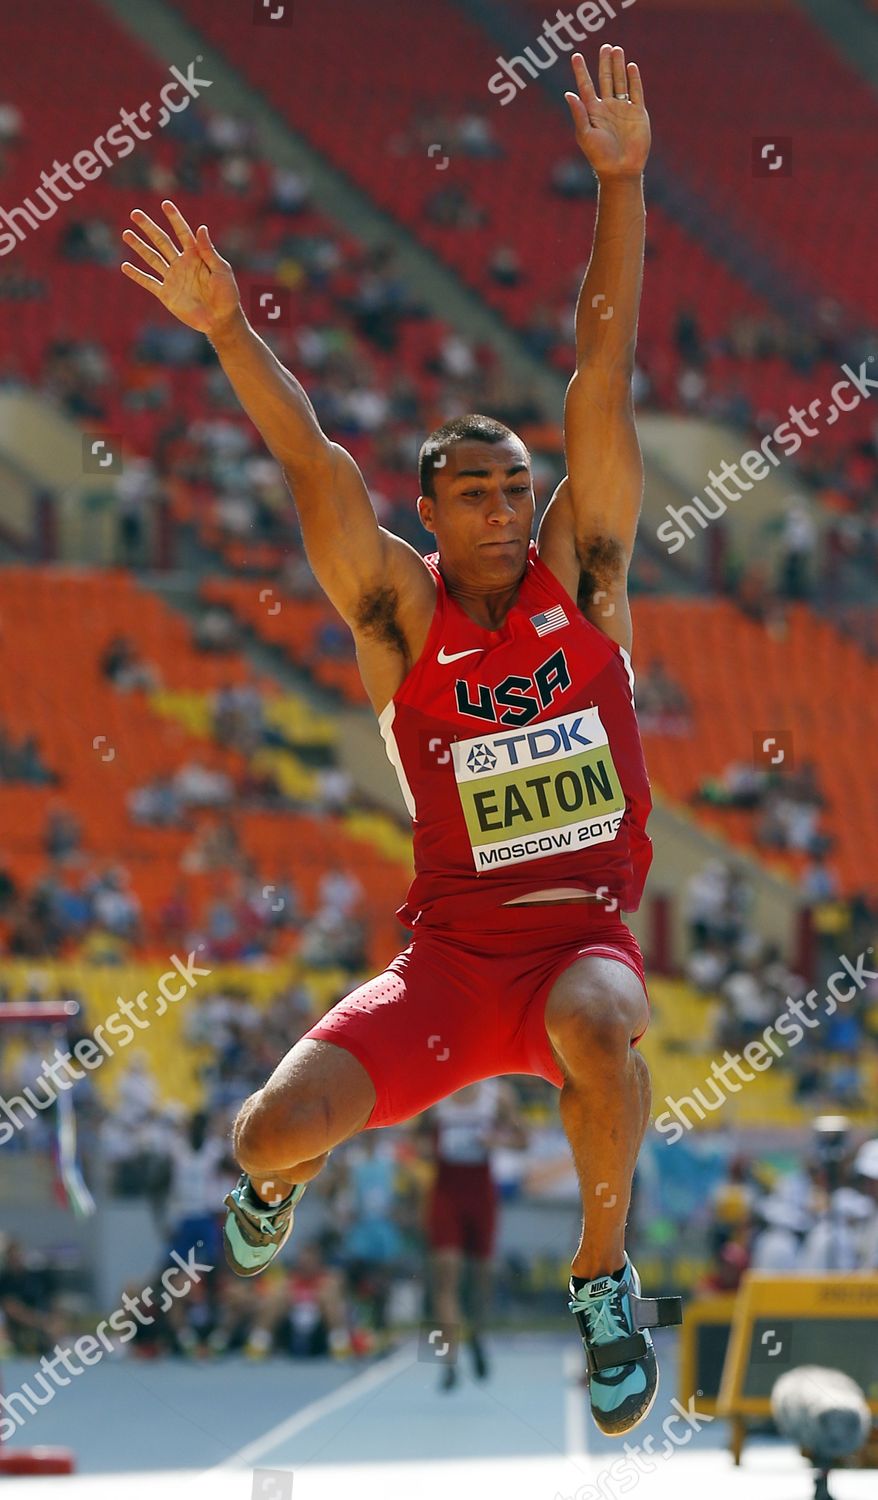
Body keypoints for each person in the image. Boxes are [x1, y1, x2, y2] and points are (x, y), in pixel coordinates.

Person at [120, 44, 681, 1437]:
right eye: (473, 493)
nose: (504, 508)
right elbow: (313, 463)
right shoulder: (394, 617)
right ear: (430, 516)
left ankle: (600, 1284)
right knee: (265, 1134)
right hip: (445, 965)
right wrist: (228, 330)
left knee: (610, 1031)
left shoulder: (587, 579)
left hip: (573, 946)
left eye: (515, 488)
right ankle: (266, 1196)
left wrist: (621, 182)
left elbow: (596, 372)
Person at [421, 1079, 526, 1391]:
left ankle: (477, 1334)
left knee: (481, 1278)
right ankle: (447, 1361)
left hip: (480, 1195)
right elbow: (416, 1140)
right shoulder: (434, 1092)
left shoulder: (498, 1095)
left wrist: (496, 1141)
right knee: (446, 1277)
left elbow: (523, 1140)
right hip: (446, 1194)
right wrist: (429, 1148)